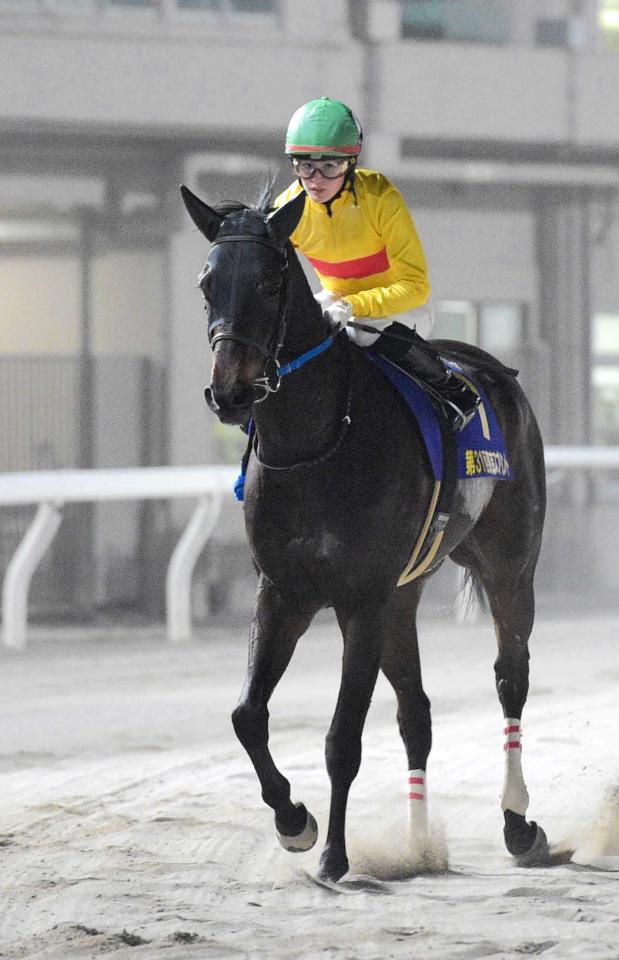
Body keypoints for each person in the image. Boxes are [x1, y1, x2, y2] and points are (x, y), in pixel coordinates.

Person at [275, 96, 479, 431]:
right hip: (338, 302)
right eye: (305, 165)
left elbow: (415, 288)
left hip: (402, 311)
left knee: (362, 332)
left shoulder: (381, 198)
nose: (316, 180)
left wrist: (354, 305)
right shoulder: (289, 207)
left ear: (351, 164)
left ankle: (452, 390)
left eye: (330, 166)